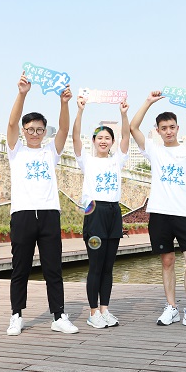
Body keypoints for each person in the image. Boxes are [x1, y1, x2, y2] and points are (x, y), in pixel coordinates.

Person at [130, 90, 186, 328]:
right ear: (158, 131)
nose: (168, 131)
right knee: (167, 261)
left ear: (177, 128)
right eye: (164, 128)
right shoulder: (154, 150)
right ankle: (171, 308)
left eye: (171, 127)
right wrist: (148, 102)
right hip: (160, 213)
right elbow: (133, 127)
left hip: (184, 215)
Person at [6, 71, 78, 336]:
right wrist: (22, 93)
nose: (34, 133)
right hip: (23, 214)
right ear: (24, 131)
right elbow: (11, 123)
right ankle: (16, 315)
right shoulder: (16, 150)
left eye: (39, 130)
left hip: (49, 214)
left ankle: (58, 316)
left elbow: (64, 130)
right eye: (30, 129)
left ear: (44, 132)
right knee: (20, 268)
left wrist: (64, 103)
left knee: (53, 268)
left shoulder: (51, 151)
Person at [72, 95, 130, 329]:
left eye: (107, 138)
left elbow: (127, 136)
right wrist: (80, 111)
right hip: (94, 213)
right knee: (95, 266)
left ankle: (105, 309)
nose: (103, 141)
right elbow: (75, 137)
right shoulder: (86, 160)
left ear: (112, 142)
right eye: (100, 138)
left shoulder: (117, 161)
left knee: (108, 266)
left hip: (113, 213)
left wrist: (124, 115)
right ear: (94, 141)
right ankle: (93, 312)